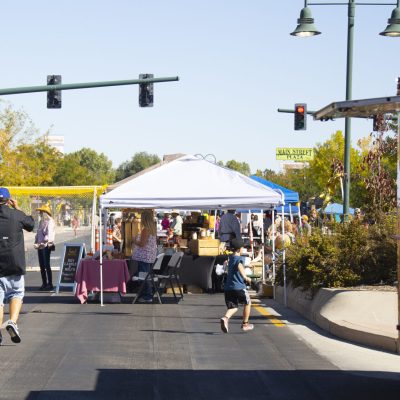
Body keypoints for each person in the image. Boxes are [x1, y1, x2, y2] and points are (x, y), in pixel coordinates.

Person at [0, 187, 35, 345]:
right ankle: (12, 322)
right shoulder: (17, 215)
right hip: (15, 263)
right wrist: (18, 208)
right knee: (16, 294)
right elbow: (31, 224)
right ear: (8, 200)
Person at [220, 238, 254, 333]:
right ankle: (245, 324)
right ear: (240, 249)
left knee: (233, 307)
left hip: (228, 288)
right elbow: (239, 266)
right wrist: (245, 277)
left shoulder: (230, 258)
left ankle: (225, 318)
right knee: (248, 303)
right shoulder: (239, 259)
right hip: (239, 287)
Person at [132, 209, 157, 303]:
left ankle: (147, 296)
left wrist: (134, 240)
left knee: (144, 277)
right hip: (149, 256)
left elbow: (142, 244)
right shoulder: (152, 229)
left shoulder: (145, 230)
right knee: (146, 276)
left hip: (144, 257)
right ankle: (146, 294)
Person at [34, 203, 56, 291]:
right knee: (42, 265)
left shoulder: (50, 222)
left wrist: (43, 242)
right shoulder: (41, 222)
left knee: (47, 265)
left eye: (41, 212)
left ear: (45, 213)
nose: (39, 213)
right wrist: (36, 242)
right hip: (40, 246)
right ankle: (44, 283)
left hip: (46, 246)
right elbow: (38, 233)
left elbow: (49, 235)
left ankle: (50, 284)